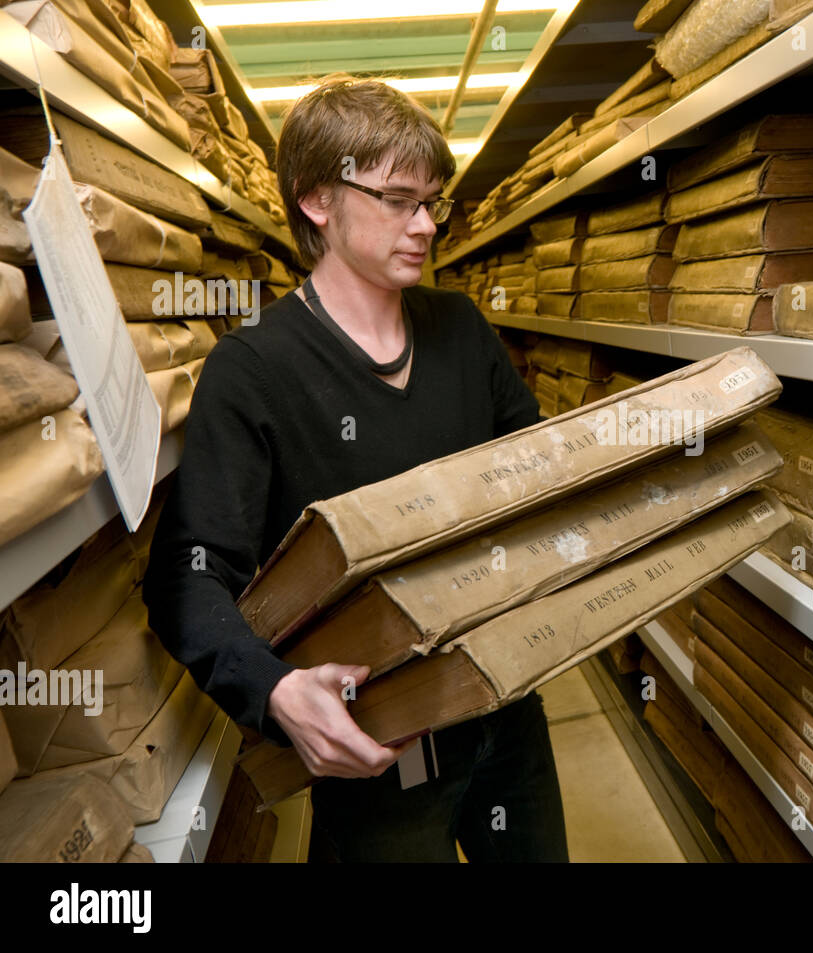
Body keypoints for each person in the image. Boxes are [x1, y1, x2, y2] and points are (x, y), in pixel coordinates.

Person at [141, 76, 568, 862]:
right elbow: (186, 576)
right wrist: (273, 689)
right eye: (400, 200)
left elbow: (536, 470)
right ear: (316, 201)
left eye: (434, 201)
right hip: (375, 737)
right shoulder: (253, 370)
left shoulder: (461, 330)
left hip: (505, 704)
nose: (428, 224)